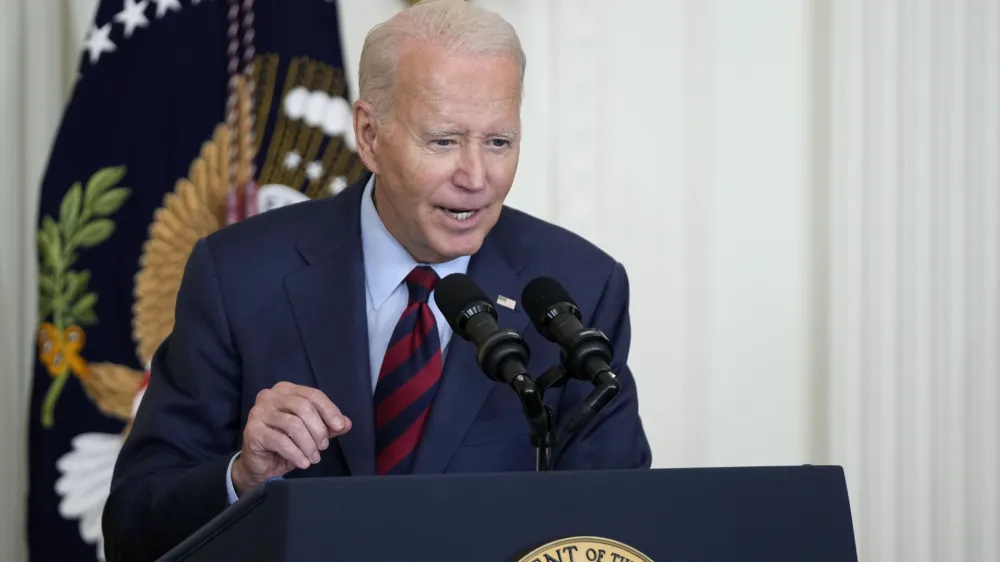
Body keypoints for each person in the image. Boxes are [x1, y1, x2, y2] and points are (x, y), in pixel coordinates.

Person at [102, 1, 651, 560]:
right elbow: (132, 527)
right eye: (443, 141)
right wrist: (242, 476)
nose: (477, 177)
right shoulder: (239, 276)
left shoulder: (579, 286)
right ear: (368, 135)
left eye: (499, 142)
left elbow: (617, 529)